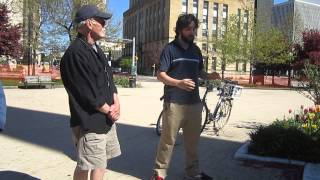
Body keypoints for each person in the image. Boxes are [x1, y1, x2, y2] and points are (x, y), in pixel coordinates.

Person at [152, 14, 220, 180]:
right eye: (188, 29)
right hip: (174, 103)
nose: (192, 32)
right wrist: (178, 83)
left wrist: (209, 75)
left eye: (194, 29)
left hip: (194, 104)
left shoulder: (196, 50)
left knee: (192, 142)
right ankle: (159, 174)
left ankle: (193, 172)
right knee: (168, 141)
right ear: (180, 30)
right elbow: (160, 75)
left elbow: (199, 71)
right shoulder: (170, 49)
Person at [60, 5, 121, 180]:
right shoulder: (75, 53)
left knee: (101, 163)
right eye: (101, 21)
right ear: (88, 23)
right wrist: (110, 110)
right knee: (85, 164)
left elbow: (109, 79)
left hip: (106, 118)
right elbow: (88, 94)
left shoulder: (96, 49)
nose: (105, 25)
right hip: (89, 122)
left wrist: (116, 102)